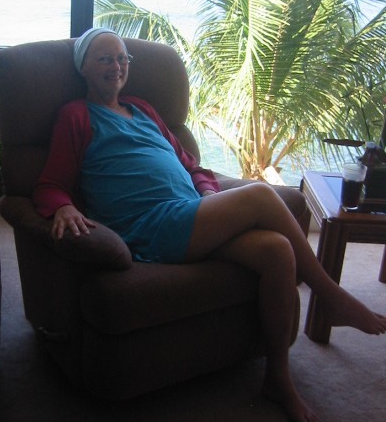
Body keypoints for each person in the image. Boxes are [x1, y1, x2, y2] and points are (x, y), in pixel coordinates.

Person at [33, 28, 386, 422]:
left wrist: (208, 196)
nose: (116, 66)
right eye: (104, 59)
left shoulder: (143, 109)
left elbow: (191, 165)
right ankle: (331, 297)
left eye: (122, 58)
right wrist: (63, 207)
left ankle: (278, 377)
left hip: (189, 215)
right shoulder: (76, 115)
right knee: (260, 195)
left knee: (277, 251)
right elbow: (50, 185)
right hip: (149, 225)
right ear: (83, 67)